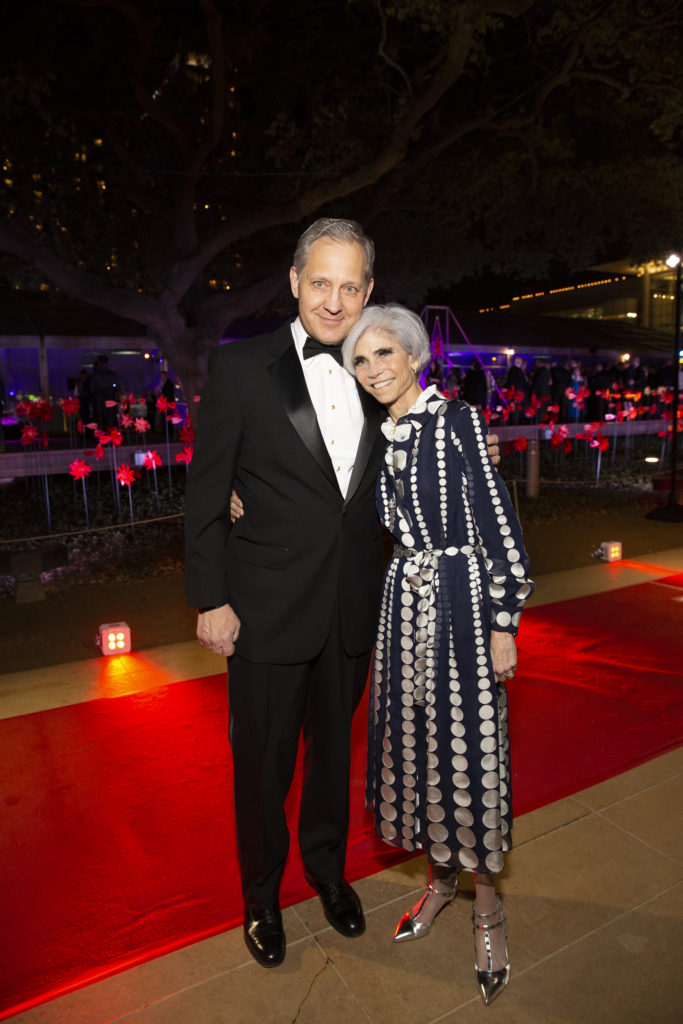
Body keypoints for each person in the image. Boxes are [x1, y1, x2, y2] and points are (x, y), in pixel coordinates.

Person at [184, 218, 500, 970]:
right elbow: (204, 493)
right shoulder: (238, 370)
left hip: (355, 608)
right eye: (319, 282)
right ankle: (260, 897)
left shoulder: (377, 370)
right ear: (294, 281)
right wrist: (210, 598)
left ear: (367, 291)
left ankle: (327, 874)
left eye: (349, 286)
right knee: (262, 768)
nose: (333, 300)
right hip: (260, 609)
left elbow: (425, 450)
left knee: (333, 762)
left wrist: (469, 445)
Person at [342, 304, 534, 1006]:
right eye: (360, 360)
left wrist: (502, 620)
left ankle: (487, 909)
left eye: (384, 353)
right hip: (404, 604)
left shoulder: (456, 422)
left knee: (468, 753)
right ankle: (438, 884)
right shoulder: (382, 431)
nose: (373, 370)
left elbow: (496, 521)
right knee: (417, 750)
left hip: (459, 602)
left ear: (415, 354)